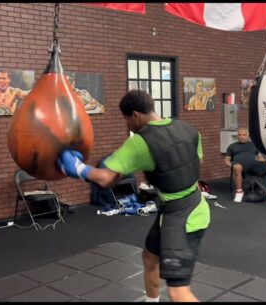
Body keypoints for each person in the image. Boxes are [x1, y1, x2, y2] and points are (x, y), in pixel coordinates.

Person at [57, 90, 210, 302]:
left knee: (178, 291)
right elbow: (197, 163)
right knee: (149, 258)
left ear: (136, 115)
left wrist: (76, 168)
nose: (127, 125)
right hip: (184, 205)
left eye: (126, 120)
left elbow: (105, 179)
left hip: (185, 218)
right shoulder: (188, 128)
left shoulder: (140, 143)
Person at [225, 127, 266, 203]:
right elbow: (227, 160)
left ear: (248, 136)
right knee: (237, 167)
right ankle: (239, 192)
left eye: (244, 135)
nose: (242, 137)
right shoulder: (232, 146)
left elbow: (260, 156)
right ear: (237, 136)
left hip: (253, 165)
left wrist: (263, 166)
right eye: (240, 135)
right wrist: (232, 166)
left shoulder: (253, 145)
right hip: (239, 166)